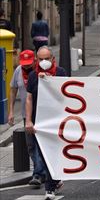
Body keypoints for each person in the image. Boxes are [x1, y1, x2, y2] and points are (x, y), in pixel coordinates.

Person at [25, 46, 68, 200]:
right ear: (37, 60)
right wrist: (28, 120)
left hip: (56, 122)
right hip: (39, 123)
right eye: (40, 59)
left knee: (54, 153)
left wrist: (49, 82)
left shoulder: (61, 73)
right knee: (43, 154)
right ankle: (55, 180)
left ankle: (50, 187)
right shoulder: (32, 76)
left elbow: (65, 95)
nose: (44, 62)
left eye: (46, 59)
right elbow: (29, 98)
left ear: (52, 59)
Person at [8, 50, 43, 187]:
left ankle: (38, 174)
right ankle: (40, 171)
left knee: (40, 145)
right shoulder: (18, 71)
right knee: (31, 146)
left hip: (42, 115)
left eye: (29, 64)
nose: (26, 67)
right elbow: (13, 90)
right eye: (24, 64)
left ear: (35, 60)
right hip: (26, 115)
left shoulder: (40, 72)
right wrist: (11, 111)